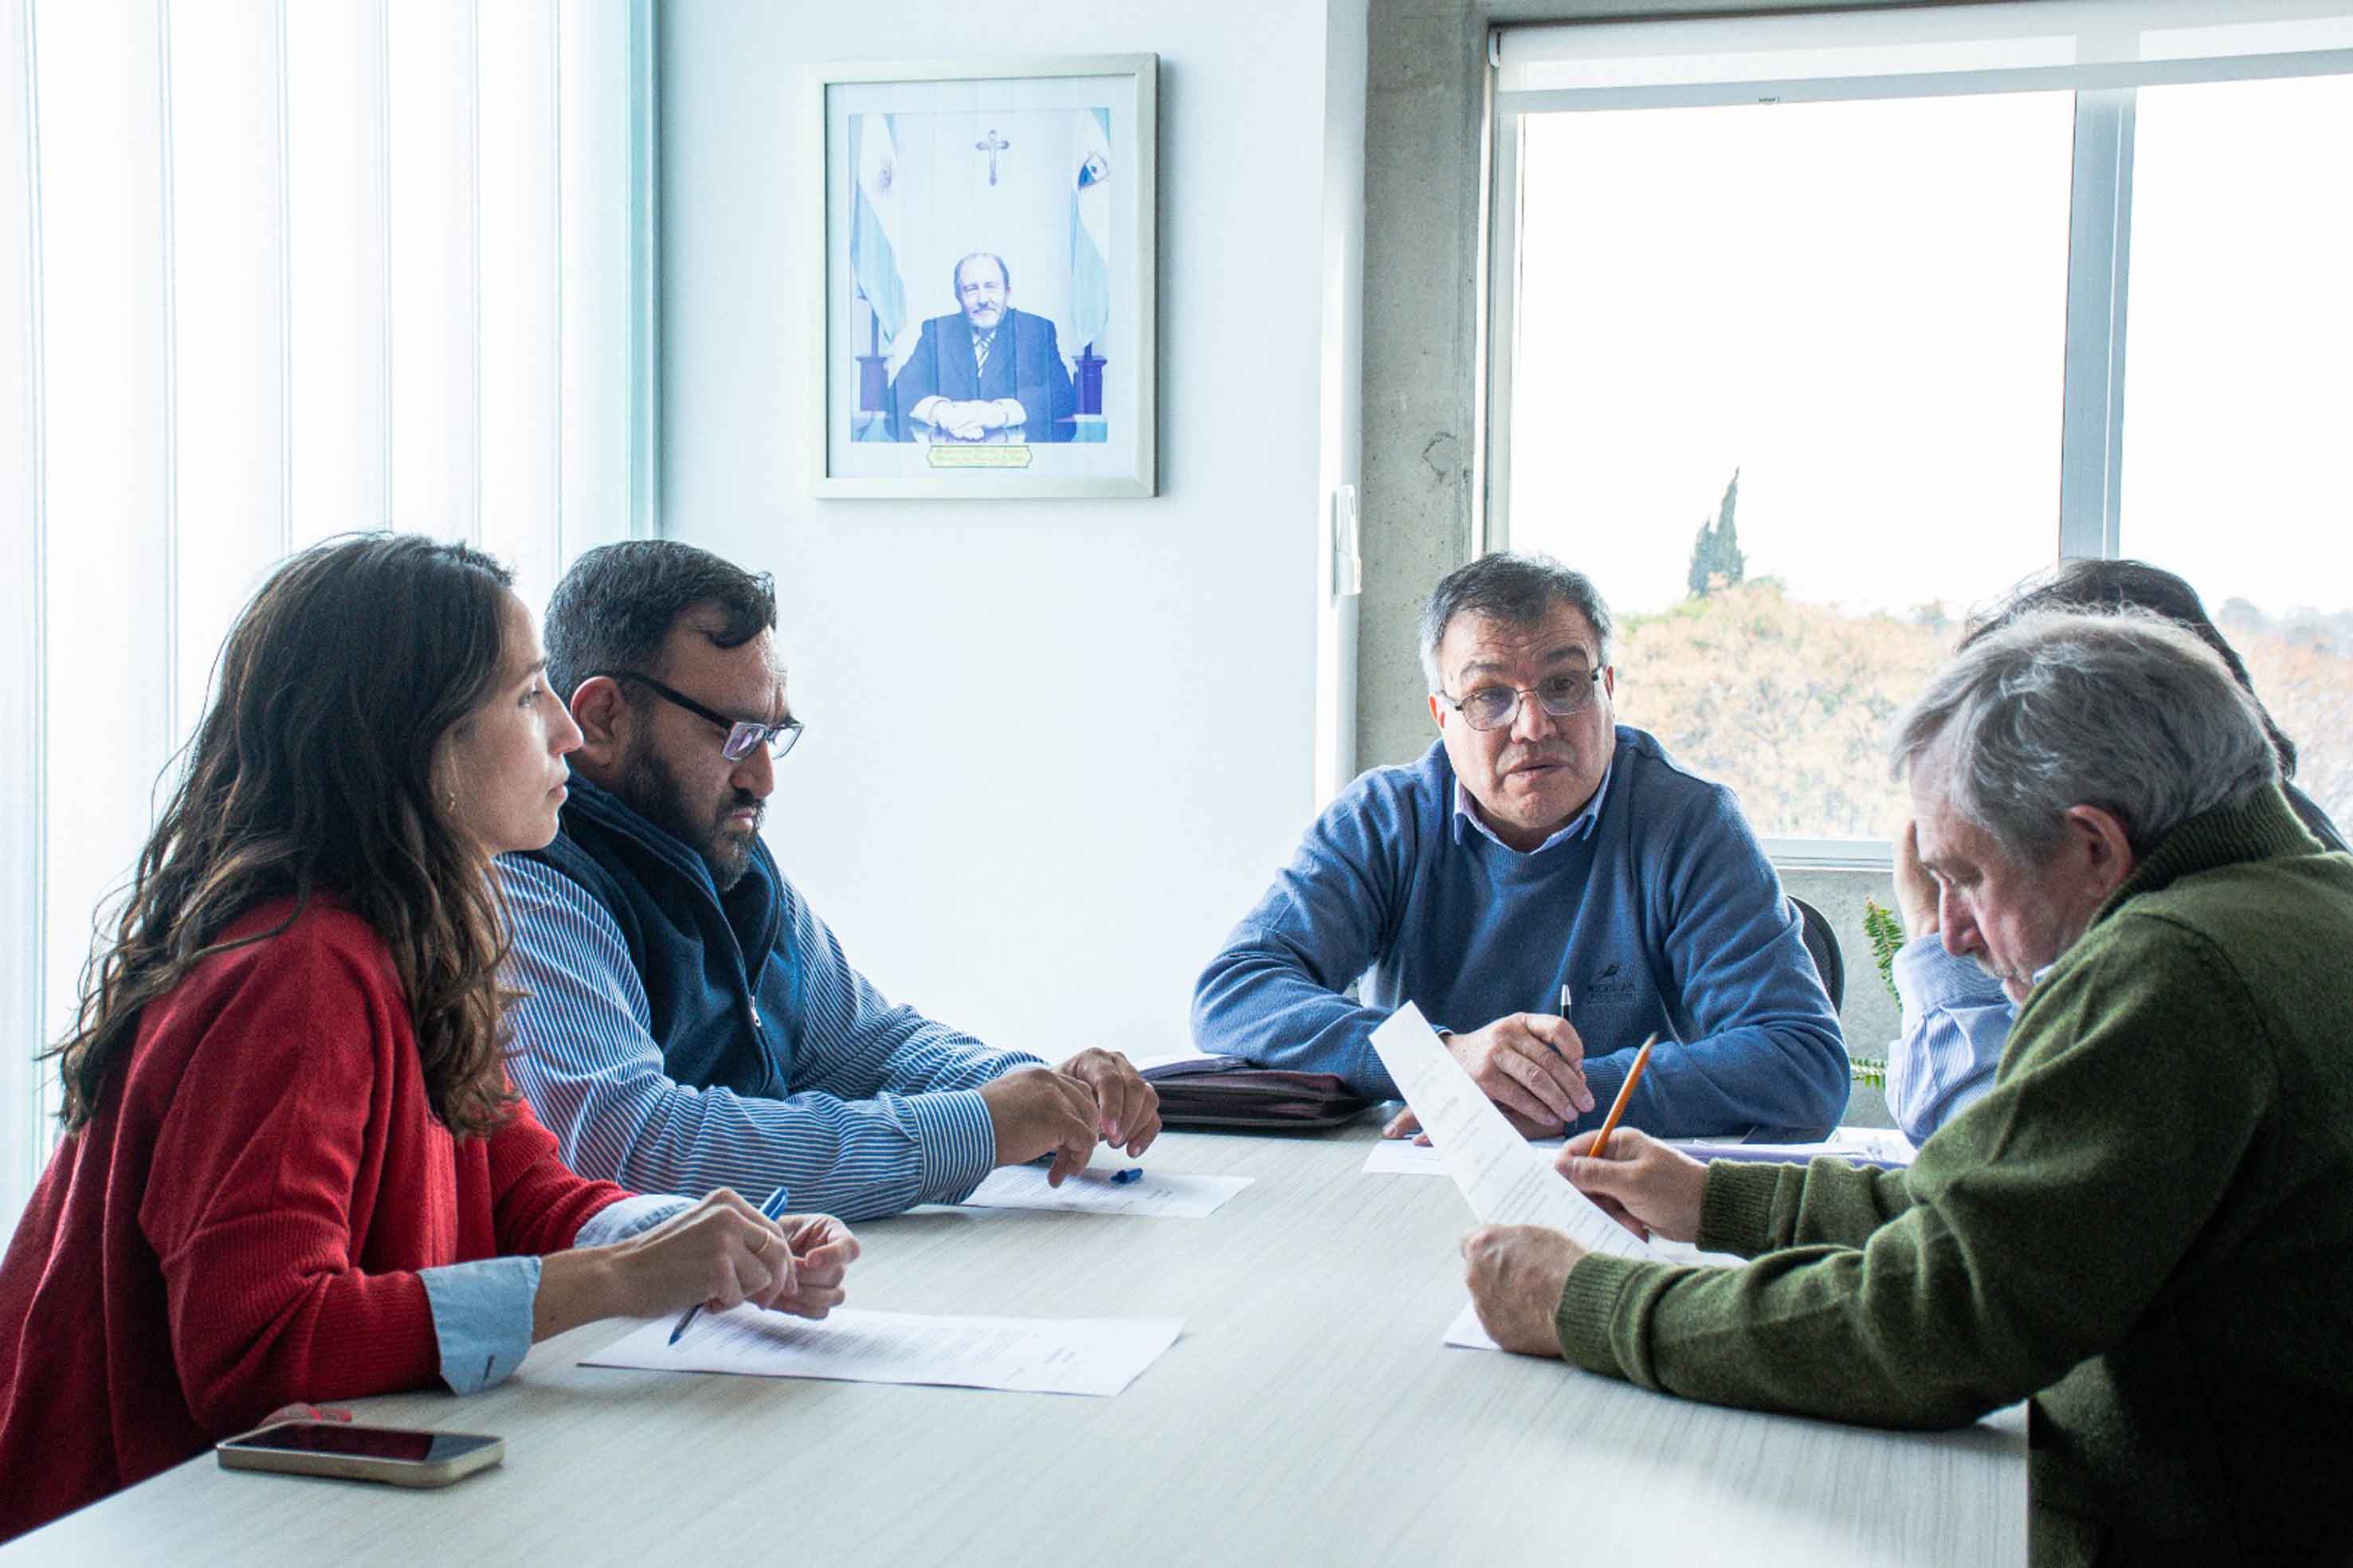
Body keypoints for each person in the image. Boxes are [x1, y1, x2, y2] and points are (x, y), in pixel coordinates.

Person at [0, 535, 858, 1546]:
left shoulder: (417, 936)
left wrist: (699, 1243)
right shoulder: (298, 970)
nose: (567, 736)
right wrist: (619, 1283)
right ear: (417, 738)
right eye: (529, 694)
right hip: (141, 1527)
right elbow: (261, 1341)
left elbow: (523, 1192)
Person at [1461, 609, 2353, 1566]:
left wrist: (1585, 1303)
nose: (1954, 936)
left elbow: (1931, 1323)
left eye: (1964, 878)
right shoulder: (2304, 897)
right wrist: (1716, 1199)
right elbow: (2016, 1202)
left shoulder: (2169, 969)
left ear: (2094, 845)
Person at [496, 541, 1159, 1223]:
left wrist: (1050, 1094)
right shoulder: (531, 880)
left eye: (771, 735)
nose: (763, 776)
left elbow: (872, 1048)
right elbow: (638, 1148)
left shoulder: (723, 860)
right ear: (604, 718)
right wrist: (979, 1127)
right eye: (735, 736)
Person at [1192, 552, 1849, 1142]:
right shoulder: (1382, 820)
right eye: (1488, 697)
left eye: (1562, 686)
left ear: (1608, 690)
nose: (1532, 726)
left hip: (1611, 1187)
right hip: (1412, 1172)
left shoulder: (1686, 822)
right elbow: (1235, 992)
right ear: (1441, 715)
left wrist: (1562, 1096)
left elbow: (1802, 1062)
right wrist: (1440, 1061)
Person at [1883, 558, 2347, 1142]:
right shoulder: (2290, 868)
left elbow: (2008, 1155)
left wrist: (1933, 941)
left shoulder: (2182, 951)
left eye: (1996, 725)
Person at [884, 252, 1076, 444]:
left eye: (991, 287)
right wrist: (942, 412)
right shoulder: (937, 332)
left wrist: (999, 412)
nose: (983, 299)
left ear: (1007, 292)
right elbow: (899, 392)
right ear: (958, 296)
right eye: (971, 289)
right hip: (950, 462)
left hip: (1016, 463)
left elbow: (1063, 393)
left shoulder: (1036, 330)